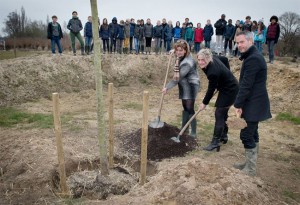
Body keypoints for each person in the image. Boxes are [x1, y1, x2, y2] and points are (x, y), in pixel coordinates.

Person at [233, 31, 272, 176]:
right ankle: (249, 164)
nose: (239, 45)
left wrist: (237, 104)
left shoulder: (253, 59)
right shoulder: (251, 56)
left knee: (246, 135)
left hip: (254, 103)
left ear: (250, 41)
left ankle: (250, 169)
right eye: (237, 43)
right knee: (253, 133)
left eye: (242, 42)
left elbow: (246, 85)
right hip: (254, 102)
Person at [197, 49, 239, 152]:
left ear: (208, 58)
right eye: (199, 59)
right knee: (222, 113)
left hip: (230, 90)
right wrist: (226, 75)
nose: (201, 62)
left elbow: (211, 89)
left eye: (203, 60)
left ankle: (215, 142)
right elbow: (224, 59)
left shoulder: (212, 72)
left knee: (219, 114)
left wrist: (204, 103)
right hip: (227, 86)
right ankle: (223, 136)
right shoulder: (214, 58)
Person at [162, 39, 200, 137]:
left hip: (191, 85)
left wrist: (167, 87)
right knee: (185, 106)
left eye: (181, 50)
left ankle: (193, 132)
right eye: (177, 50)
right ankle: (184, 128)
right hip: (184, 84)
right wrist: (173, 51)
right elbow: (177, 52)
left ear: (185, 51)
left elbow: (177, 79)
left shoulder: (188, 62)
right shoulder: (182, 57)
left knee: (190, 107)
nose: (178, 52)